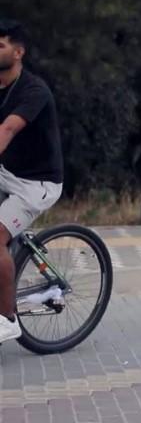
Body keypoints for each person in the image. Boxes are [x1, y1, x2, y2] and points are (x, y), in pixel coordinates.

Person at [0, 20, 64, 343]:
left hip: (37, 184)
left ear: (18, 52)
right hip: (7, 172)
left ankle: (7, 318)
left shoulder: (33, 90)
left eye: (0, 46)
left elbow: (7, 130)